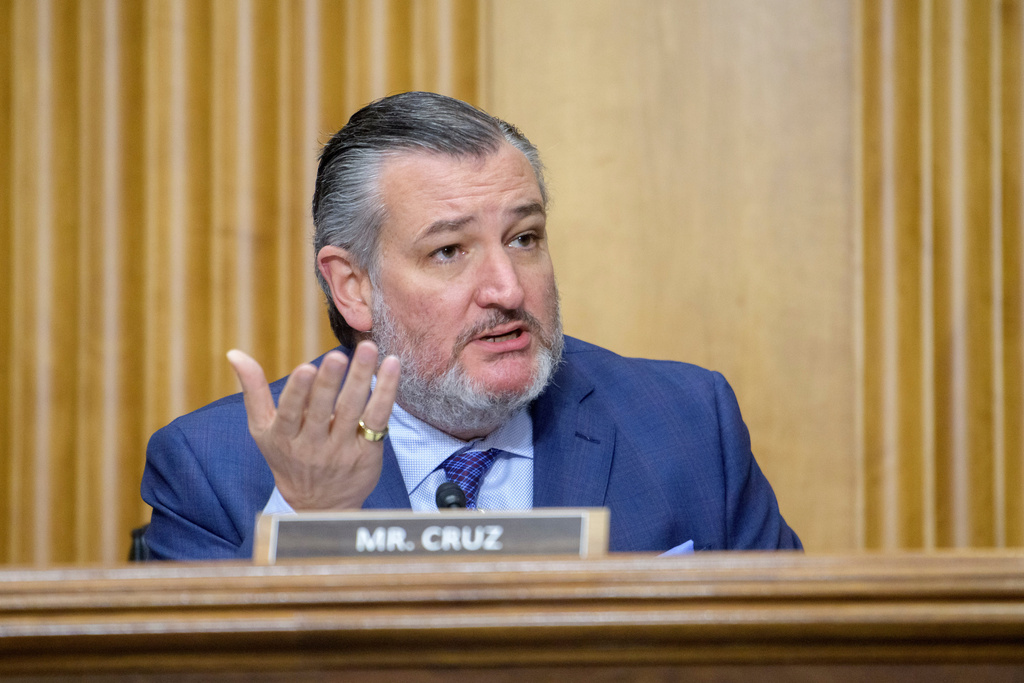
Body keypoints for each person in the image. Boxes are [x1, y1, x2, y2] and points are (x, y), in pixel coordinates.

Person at [141, 91, 801, 560]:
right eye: (449, 251)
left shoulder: (687, 425)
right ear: (353, 285)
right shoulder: (213, 468)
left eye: (524, 237)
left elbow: (795, 658)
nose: (508, 288)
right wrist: (311, 526)